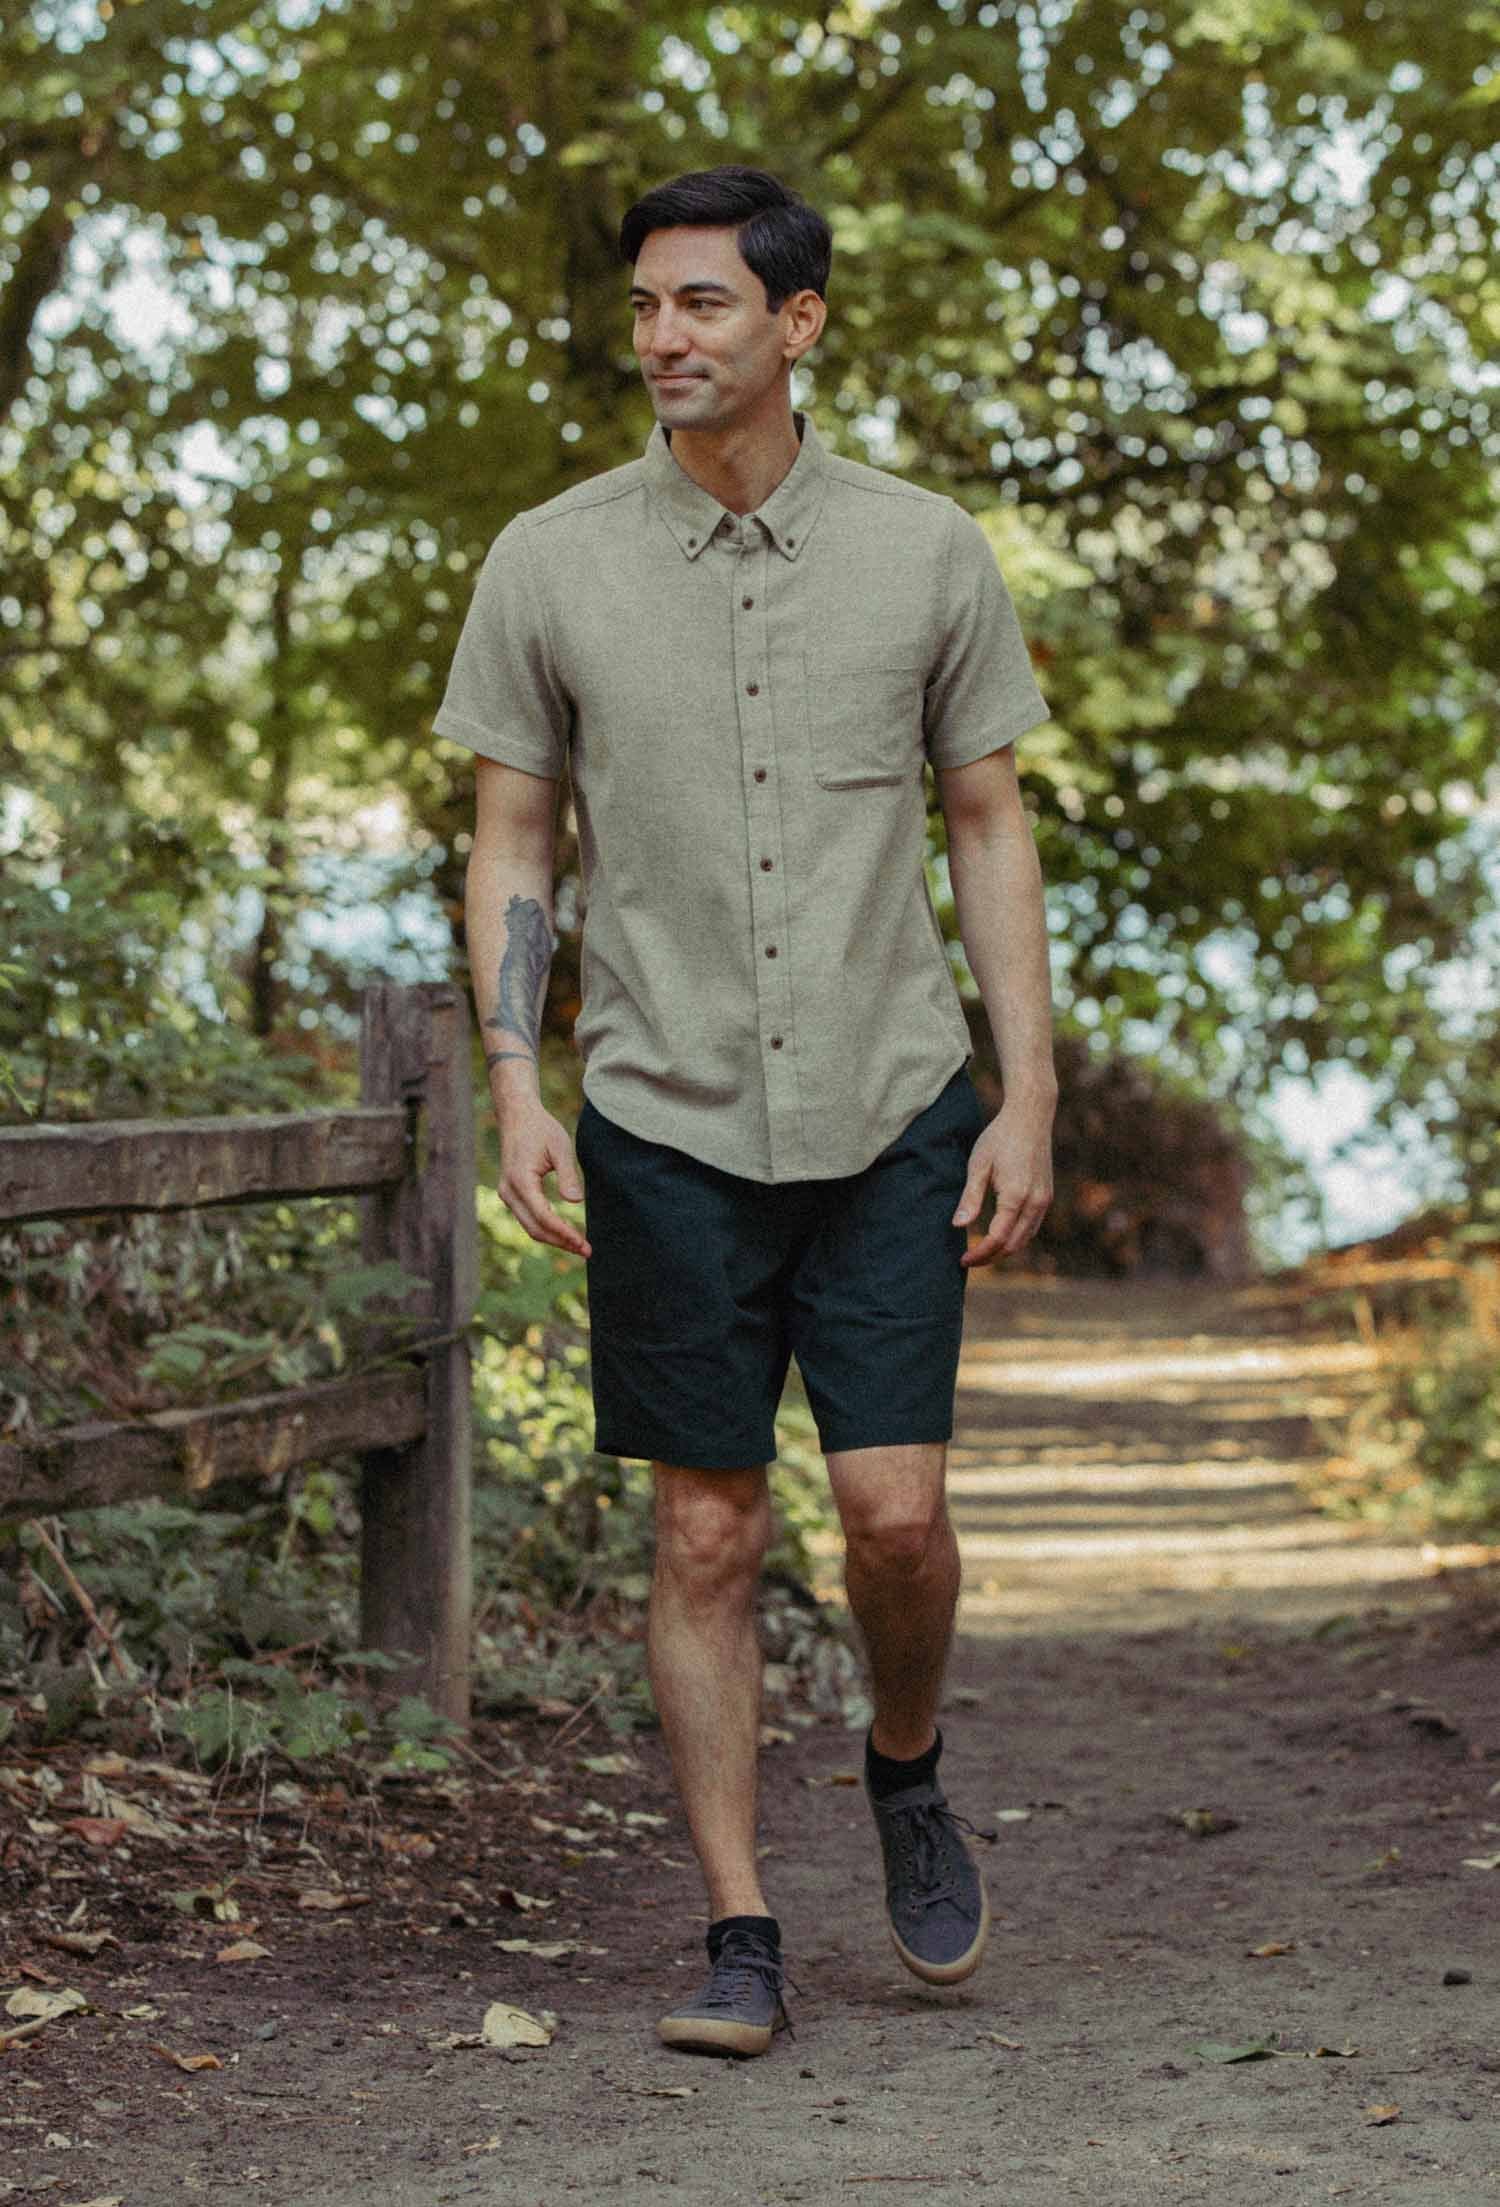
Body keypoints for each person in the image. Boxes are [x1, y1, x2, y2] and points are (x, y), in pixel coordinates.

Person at [434, 165, 1056, 2058]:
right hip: (661, 1108)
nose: (662, 341)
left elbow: (987, 822)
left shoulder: (929, 552)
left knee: (894, 1515)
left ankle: (904, 1758)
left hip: (890, 1111)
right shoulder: (550, 560)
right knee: (705, 1528)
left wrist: (1026, 1092)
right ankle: (738, 1926)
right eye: (644, 309)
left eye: (701, 306)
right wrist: (518, 1083)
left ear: (797, 325)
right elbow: (512, 836)